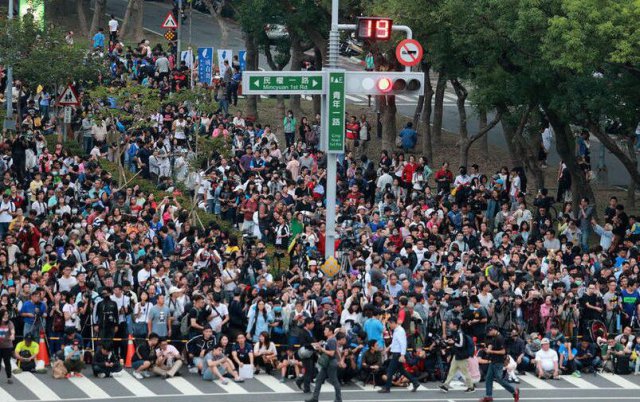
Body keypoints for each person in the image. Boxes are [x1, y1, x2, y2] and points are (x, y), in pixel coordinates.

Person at [377, 316, 420, 393]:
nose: (389, 326)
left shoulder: (399, 331)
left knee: (390, 370)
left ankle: (387, 388)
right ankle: (415, 382)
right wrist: (388, 348)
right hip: (397, 353)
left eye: (389, 324)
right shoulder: (396, 330)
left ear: (393, 323)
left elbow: (403, 344)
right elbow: (394, 342)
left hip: (398, 354)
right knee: (402, 371)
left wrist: (402, 355)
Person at [479, 325, 519, 402]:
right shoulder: (495, 337)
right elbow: (492, 344)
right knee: (488, 378)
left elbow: (503, 351)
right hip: (493, 360)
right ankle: (488, 396)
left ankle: (514, 391)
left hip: (498, 362)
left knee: (499, 379)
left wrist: (491, 351)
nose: (488, 333)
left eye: (489, 332)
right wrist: (488, 348)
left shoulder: (500, 338)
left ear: (493, 330)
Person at [305, 326, 345, 402]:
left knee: (334, 381)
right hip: (327, 363)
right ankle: (315, 398)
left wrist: (321, 349)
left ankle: (339, 399)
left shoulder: (331, 340)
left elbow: (332, 353)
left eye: (326, 330)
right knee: (319, 380)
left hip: (331, 363)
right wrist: (340, 361)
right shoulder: (330, 339)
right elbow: (336, 350)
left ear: (330, 331)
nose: (324, 331)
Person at [439, 318, 475, 393]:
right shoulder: (455, 333)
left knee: (465, 373)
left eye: (451, 324)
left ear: (455, 325)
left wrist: (452, 343)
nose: (449, 325)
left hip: (462, 356)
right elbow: (456, 342)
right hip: (457, 355)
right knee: (451, 371)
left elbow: (461, 345)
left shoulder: (460, 333)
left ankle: (471, 387)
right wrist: (451, 342)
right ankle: (445, 386)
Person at [295, 317, 316, 393]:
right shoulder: (302, 332)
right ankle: (306, 388)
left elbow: (313, 339)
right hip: (305, 353)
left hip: (310, 352)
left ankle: (299, 381)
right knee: (308, 371)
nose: (313, 325)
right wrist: (312, 344)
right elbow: (302, 343)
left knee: (310, 371)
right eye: (312, 323)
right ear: (307, 324)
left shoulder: (310, 331)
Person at [0, 308, 15, 383]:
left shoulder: (10, 323)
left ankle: (9, 377)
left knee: (7, 362)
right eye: (5, 314)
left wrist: (12, 335)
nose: (6, 316)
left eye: (7, 314)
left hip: (7, 346)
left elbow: (12, 331)